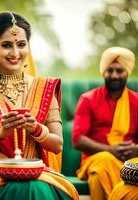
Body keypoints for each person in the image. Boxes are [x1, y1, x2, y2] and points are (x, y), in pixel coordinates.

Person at [0, 11, 79, 200]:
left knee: (40, 189)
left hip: (33, 170)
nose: (15, 53)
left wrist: (35, 128)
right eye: (6, 45)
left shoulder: (43, 88)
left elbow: (58, 144)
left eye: (21, 44)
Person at [72, 47, 138, 200]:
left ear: (127, 72)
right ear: (104, 72)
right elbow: (77, 139)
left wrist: (135, 150)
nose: (114, 75)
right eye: (110, 70)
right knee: (103, 164)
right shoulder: (88, 99)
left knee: (131, 169)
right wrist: (110, 150)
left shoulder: (136, 102)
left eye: (119, 70)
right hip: (97, 159)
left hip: (132, 160)